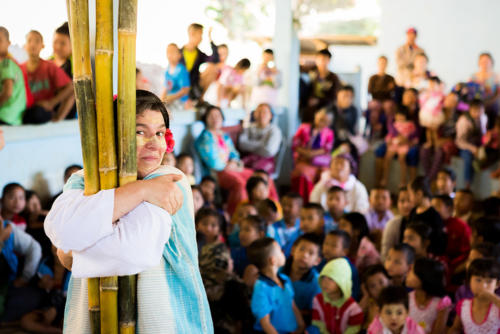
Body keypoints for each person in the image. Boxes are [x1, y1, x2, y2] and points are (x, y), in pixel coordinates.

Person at [44, 90, 213, 333]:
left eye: (159, 132)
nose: (154, 142)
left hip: (168, 318)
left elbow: (130, 252)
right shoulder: (82, 180)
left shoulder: (170, 180)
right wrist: (142, 191)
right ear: (111, 133)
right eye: (139, 131)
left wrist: (70, 251)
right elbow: (60, 227)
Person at [194, 105, 254, 215]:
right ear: (205, 119)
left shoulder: (224, 135)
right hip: (217, 173)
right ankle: (237, 215)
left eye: (218, 115)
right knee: (239, 184)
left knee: (257, 178)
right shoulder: (205, 137)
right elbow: (213, 162)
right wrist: (229, 165)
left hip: (231, 168)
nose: (215, 118)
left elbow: (234, 153)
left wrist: (234, 163)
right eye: (211, 116)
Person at [248, 237, 305, 333]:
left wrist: (301, 326)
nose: (283, 253)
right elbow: (266, 324)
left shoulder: (285, 279)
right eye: (280, 251)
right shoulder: (261, 288)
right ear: (273, 260)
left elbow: (293, 305)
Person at [21, 30, 74, 123]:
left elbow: (71, 87)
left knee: (37, 113)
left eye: (37, 41)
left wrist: (51, 103)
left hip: (41, 111)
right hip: (24, 109)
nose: (33, 44)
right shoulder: (19, 68)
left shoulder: (49, 66)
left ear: (42, 46)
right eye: (29, 41)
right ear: (24, 46)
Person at [199, 242, 253, 334]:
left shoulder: (198, 286)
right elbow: (246, 317)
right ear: (221, 265)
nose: (232, 261)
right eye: (229, 259)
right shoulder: (235, 287)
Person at [310, 258, 364, 334]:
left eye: (331, 279)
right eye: (323, 277)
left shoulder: (352, 308)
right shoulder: (318, 300)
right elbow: (317, 322)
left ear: (342, 282)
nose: (325, 282)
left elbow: (354, 329)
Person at [291, 108, 335, 202]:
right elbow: (295, 144)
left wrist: (311, 154)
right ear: (316, 116)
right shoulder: (304, 128)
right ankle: (305, 201)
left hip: (320, 163)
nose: (322, 123)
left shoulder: (329, 133)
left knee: (326, 176)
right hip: (304, 160)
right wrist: (306, 153)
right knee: (303, 174)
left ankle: (321, 202)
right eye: (321, 119)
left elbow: (327, 149)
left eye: (326, 121)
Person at [280, 234, 322, 325]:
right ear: (293, 250)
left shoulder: (316, 282)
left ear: (317, 261)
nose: (304, 255)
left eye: (311, 253)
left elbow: (313, 313)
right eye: (301, 249)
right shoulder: (278, 270)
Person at [449, 258, 500, 334]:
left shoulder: (497, 305)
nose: (483, 286)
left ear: (497, 284)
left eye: (489, 281)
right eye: (478, 280)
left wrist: (493, 298)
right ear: (469, 281)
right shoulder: (463, 305)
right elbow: (455, 328)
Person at [406, 258, 451, 334]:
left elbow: (438, 332)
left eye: (412, 271)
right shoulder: (407, 297)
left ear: (425, 277)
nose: (407, 273)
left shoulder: (441, 302)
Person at [431, 195, 471, 276]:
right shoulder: (430, 224)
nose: (433, 210)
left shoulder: (461, 226)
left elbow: (466, 252)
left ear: (449, 208)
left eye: (437, 206)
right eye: (432, 206)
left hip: (454, 267)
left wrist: (450, 265)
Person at [238, 103, 283, 174]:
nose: (261, 115)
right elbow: (242, 145)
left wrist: (250, 145)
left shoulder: (274, 130)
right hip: (248, 158)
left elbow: (269, 150)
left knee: (254, 173)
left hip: (266, 160)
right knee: (237, 169)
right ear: (255, 114)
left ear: (271, 115)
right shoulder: (248, 128)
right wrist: (262, 144)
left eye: (264, 112)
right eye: (259, 112)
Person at [406, 176, 446, 256]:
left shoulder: (434, 216)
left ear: (419, 193)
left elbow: (438, 241)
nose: (409, 198)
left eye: (410, 194)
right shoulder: (413, 211)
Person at [302, 48, 342, 123]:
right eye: (319, 59)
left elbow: (333, 97)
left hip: (326, 108)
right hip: (310, 109)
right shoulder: (311, 73)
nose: (322, 62)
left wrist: (318, 101)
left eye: (324, 59)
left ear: (329, 61)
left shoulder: (333, 78)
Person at [380, 109, 418, 187]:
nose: (400, 117)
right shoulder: (394, 124)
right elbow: (390, 135)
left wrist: (407, 141)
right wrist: (388, 140)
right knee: (387, 158)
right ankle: (384, 178)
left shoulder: (410, 124)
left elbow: (414, 137)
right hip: (394, 144)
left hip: (404, 144)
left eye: (402, 115)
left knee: (402, 159)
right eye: (398, 115)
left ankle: (403, 181)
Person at [181, 23, 219, 101]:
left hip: (193, 87)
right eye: (200, 34)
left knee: (213, 68)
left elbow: (215, 60)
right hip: (181, 88)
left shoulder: (199, 54)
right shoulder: (179, 53)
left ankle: (200, 100)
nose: (201, 38)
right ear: (192, 33)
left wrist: (210, 39)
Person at [320, 230, 360, 301]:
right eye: (326, 243)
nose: (327, 248)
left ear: (345, 251)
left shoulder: (349, 270)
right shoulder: (321, 263)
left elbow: (353, 295)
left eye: (333, 246)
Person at [455, 98, 486, 188]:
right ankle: (467, 185)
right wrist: (473, 149)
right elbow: (459, 141)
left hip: (478, 145)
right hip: (464, 146)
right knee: (468, 158)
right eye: (475, 111)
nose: (478, 114)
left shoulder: (484, 118)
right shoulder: (464, 121)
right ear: (470, 110)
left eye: (480, 111)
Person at [0, 26, 27, 125]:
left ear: (8, 44)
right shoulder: (10, 64)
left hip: (6, 116)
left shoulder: (6, 63)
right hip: (14, 117)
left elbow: (7, 93)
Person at [381, 187, 414, 261]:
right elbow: (385, 253)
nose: (406, 205)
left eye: (409, 200)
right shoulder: (392, 224)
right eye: (402, 201)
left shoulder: (421, 223)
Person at [469, 52, 500, 129]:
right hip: (478, 104)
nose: (484, 63)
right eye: (482, 61)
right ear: (479, 62)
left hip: (492, 104)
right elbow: (470, 92)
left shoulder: (496, 76)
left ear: (491, 62)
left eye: (487, 61)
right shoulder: (473, 77)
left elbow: (498, 93)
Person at [359, 265, 390, 331]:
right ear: (368, 291)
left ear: (389, 281)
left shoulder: (398, 301)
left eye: (381, 282)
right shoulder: (369, 304)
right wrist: (366, 296)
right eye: (373, 286)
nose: (378, 288)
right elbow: (356, 316)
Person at [272, 192, 303, 257]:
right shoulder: (273, 227)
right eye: (283, 205)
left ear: (300, 209)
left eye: (289, 206)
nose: (285, 208)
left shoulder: (303, 228)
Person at [160, 43, 190, 108]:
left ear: (179, 55)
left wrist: (170, 98)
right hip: (170, 100)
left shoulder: (181, 69)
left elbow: (185, 90)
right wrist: (161, 101)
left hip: (181, 101)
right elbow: (166, 88)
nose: (170, 54)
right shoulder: (167, 71)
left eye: (173, 52)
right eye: (168, 52)